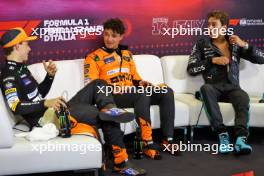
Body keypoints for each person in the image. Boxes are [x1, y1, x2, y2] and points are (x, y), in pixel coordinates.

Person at [0, 27, 146, 175]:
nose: (29, 49)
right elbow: (15, 106)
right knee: (102, 115)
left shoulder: (21, 69)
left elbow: (38, 93)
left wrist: (49, 76)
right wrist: (45, 103)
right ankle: (120, 162)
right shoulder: (8, 76)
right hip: (46, 119)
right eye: (26, 44)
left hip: (53, 111)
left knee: (99, 84)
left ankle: (109, 107)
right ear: (17, 46)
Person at [84, 18, 177, 159]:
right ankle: (147, 142)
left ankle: (168, 139)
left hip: (132, 92)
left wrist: (142, 83)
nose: (109, 39)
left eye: (113, 36)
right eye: (106, 34)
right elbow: (92, 86)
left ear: (121, 37)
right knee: (141, 94)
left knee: (166, 91)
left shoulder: (127, 54)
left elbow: (135, 78)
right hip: (112, 96)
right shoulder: (93, 58)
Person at [187, 10, 264, 155]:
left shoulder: (235, 43)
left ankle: (241, 139)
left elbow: (261, 59)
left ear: (224, 28)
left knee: (243, 97)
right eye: (208, 25)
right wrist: (211, 61)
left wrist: (245, 45)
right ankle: (222, 135)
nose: (209, 28)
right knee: (205, 89)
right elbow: (191, 69)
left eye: (213, 25)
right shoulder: (201, 44)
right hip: (213, 87)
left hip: (233, 87)